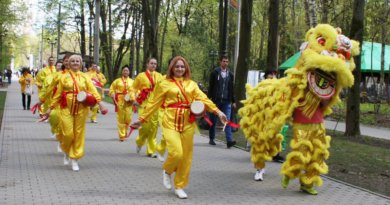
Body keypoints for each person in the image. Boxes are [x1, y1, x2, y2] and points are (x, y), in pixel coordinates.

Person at [130, 56, 227, 199]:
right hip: (170, 121)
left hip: (187, 122)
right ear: (172, 68)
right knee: (177, 153)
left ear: (186, 68)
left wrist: (218, 112)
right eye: (177, 66)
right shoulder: (164, 84)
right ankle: (167, 170)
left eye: (182, 66)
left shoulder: (192, 84)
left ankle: (180, 185)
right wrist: (141, 119)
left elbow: (204, 99)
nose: (180, 69)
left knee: (186, 157)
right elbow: (154, 103)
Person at [46, 55, 107, 171]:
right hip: (66, 108)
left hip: (81, 108)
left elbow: (93, 91)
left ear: (81, 63)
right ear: (68, 63)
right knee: (68, 133)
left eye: (77, 61)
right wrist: (50, 108)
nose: (75, 63)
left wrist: (101, 104)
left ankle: (75, 159)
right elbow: (58, 94)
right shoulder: (64, 77)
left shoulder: (85, 77)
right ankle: (66, 149)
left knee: (79, 134)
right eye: (72, 61)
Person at [132, 57, 163, 157]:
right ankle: (140, 142)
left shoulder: (160, 76)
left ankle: (151, 151)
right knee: (144, 127)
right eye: (151, 63)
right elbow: (133, 88)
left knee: (153, 128)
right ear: (147, 64)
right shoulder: (141, 76)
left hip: (155, 105)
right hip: (144, 104)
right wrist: (134, 99)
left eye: (155, 64)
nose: (153, 65)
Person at [207, 55, 236, 148]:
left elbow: (231, 88)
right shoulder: (215, 73)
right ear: (220, 62)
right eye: (224, 61)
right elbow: (211, 86)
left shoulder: (230, 75)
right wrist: (208, 99)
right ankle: (212, 138)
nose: (225, 63)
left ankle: (229, 141)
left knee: (226, 120)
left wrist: (233, 100)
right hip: (215, 101)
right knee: (213, 120)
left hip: (227, 101)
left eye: (227, 61)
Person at [109, 65, 136, 142]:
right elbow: (112, 89)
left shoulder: (132, 81)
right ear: (122, 71)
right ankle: (122, 135)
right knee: (121, 119)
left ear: (129, 72)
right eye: (124, 70)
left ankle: (125, 130)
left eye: (127, 70)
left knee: (128, 118)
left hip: (129, 101)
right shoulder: (117, 81)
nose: (125, 72)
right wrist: (112, 94)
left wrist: (135, 97)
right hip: (120, 101)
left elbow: (136, 90)